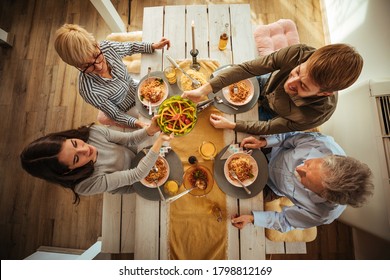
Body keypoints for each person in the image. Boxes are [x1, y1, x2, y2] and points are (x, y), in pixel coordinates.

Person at [182, 44, 363, 135]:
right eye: (297, 71)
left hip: (273, 114)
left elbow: (269, 127)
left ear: (324, 93)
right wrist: (204, 90)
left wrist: (233, 126)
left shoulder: (314, 115)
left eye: (303, 86)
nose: (291, 83)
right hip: (265, 83)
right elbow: (247, 69)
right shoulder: (299, 52)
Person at [230, 132, 374, 233]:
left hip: (271, 186)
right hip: (271, 150)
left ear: (323, 196)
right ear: (329, 157)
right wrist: (264, 142)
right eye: (308, 164)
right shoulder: (324, 143)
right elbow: (289, 137)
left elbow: (285, 221)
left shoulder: (323, 214)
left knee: (230, 193)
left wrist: (252, 218)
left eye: (305, 180)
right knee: (227, 151)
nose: (298, 169)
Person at [20, 116, 174, 203]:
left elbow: (129, 139)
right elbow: (136, 176)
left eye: (75, 143)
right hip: (135, 184)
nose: (85, 149)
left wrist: (151, 130)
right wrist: (159, 142)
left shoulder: (92, 132)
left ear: (67, 138)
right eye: (76, 158)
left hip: (136, 156)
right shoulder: (84, 185)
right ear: (68, 171)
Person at [54, 23, 171, 129]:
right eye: (87, 66)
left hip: (136, 86)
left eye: (96, 55)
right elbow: (115, 114)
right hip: (128, 108)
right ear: (77, 66)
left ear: (97, 45)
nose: (99, 66)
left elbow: (130, 47)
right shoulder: (88, 90)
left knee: (169, 94)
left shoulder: (107, 47)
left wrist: (153, 46)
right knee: (163, 121)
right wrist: (137, 123)